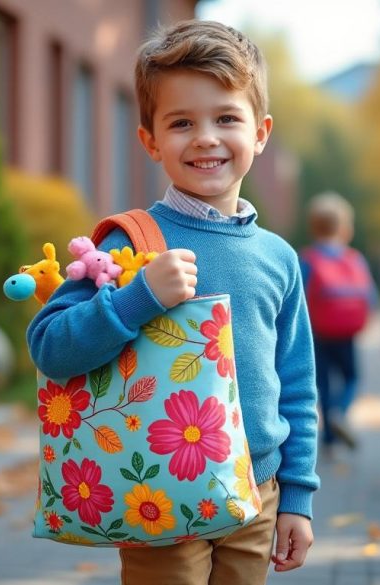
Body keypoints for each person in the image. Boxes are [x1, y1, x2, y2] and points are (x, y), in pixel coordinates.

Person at [27, 20, 318, 584]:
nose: (206, 138)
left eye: (226, 118)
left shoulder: (279, 258)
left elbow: (298, 386)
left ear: (261, 132)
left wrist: (298, 498)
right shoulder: (129, 243)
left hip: (257, 493)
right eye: (182, 122)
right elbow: (50, 346)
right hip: (157, 491)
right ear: (151, 141)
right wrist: (137, 298)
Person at [299, 192, 377, 456]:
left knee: (322, 383)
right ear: (345, 228)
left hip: (318, 332)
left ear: (313, 227)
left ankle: (330, 440)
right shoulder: (354, 258)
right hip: (347, 332)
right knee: (352, 377)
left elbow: (297, 297)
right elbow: (370, 295)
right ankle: (340, 413)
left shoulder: (307, 260)